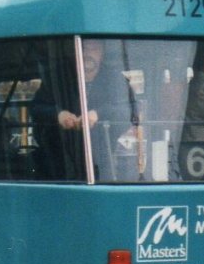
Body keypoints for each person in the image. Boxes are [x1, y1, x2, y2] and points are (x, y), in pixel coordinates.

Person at [31, 38, 134, 180]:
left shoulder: (115, 79)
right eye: (84, 48)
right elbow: (36, 108)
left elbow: (129, 110)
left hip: (103, 162)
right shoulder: (57, 77)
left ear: (102, 53)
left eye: (94, 49)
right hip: (58, 164)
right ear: (76, 52)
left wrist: (98, 115)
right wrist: (58, 114)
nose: (88, 54)